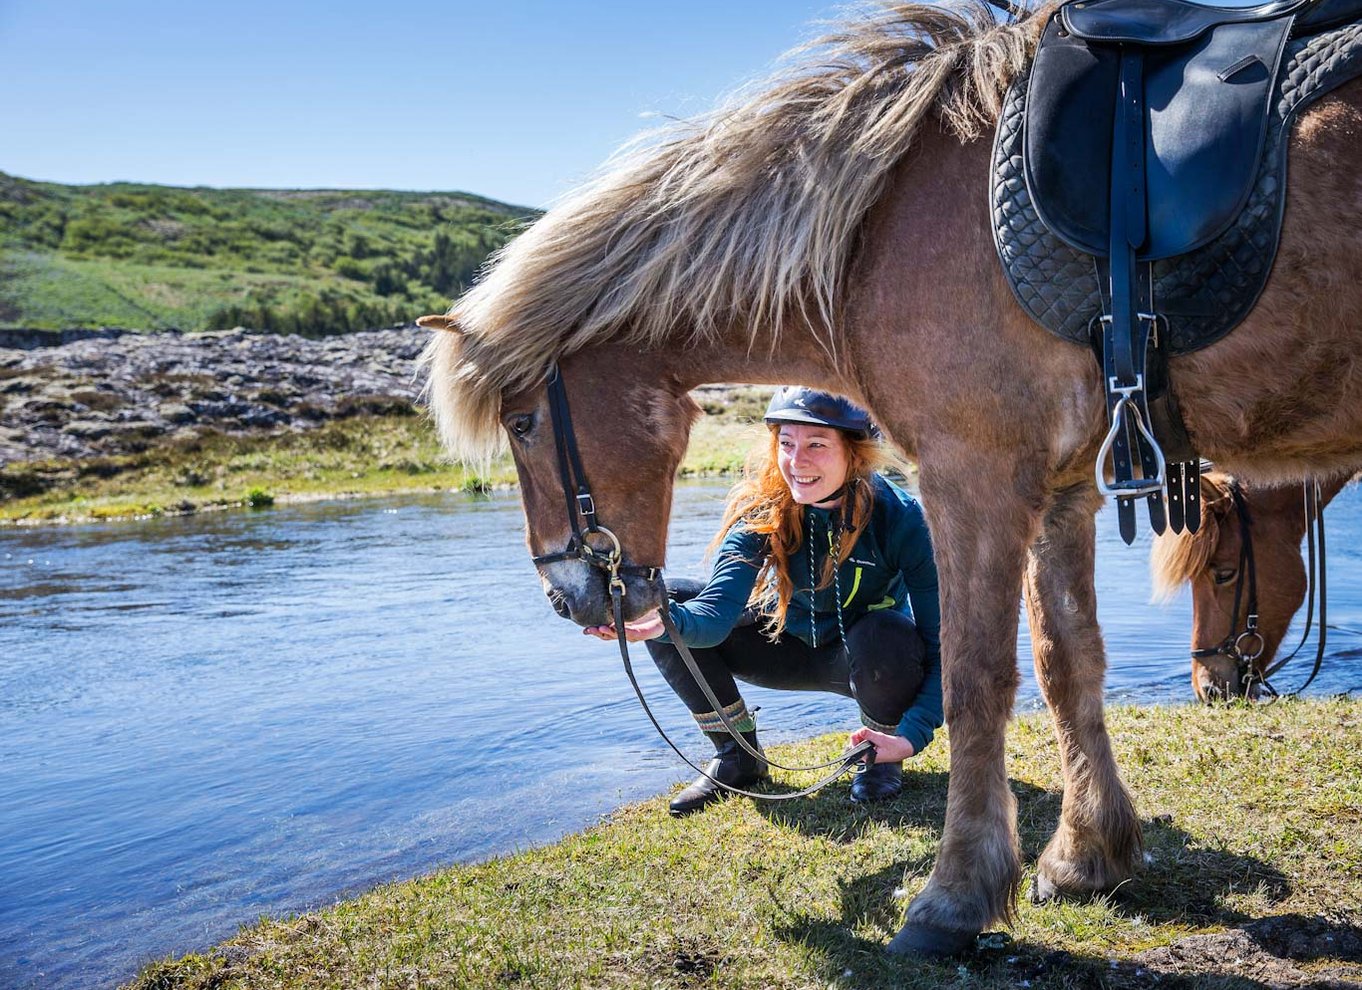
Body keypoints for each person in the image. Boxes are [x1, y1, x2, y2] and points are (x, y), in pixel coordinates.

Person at [585, 386, 943, 816]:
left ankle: (877, 752)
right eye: (787, 444)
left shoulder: (903, 519)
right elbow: (716, 613)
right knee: (668, 601)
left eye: (816, 445)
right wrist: (661, 623)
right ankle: (738, 756)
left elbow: (945, 645)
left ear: (856, 452)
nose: (797, 462)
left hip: (869, 658)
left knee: (889, 634)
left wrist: (911, 734)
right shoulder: (762, 507)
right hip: (782, 641)